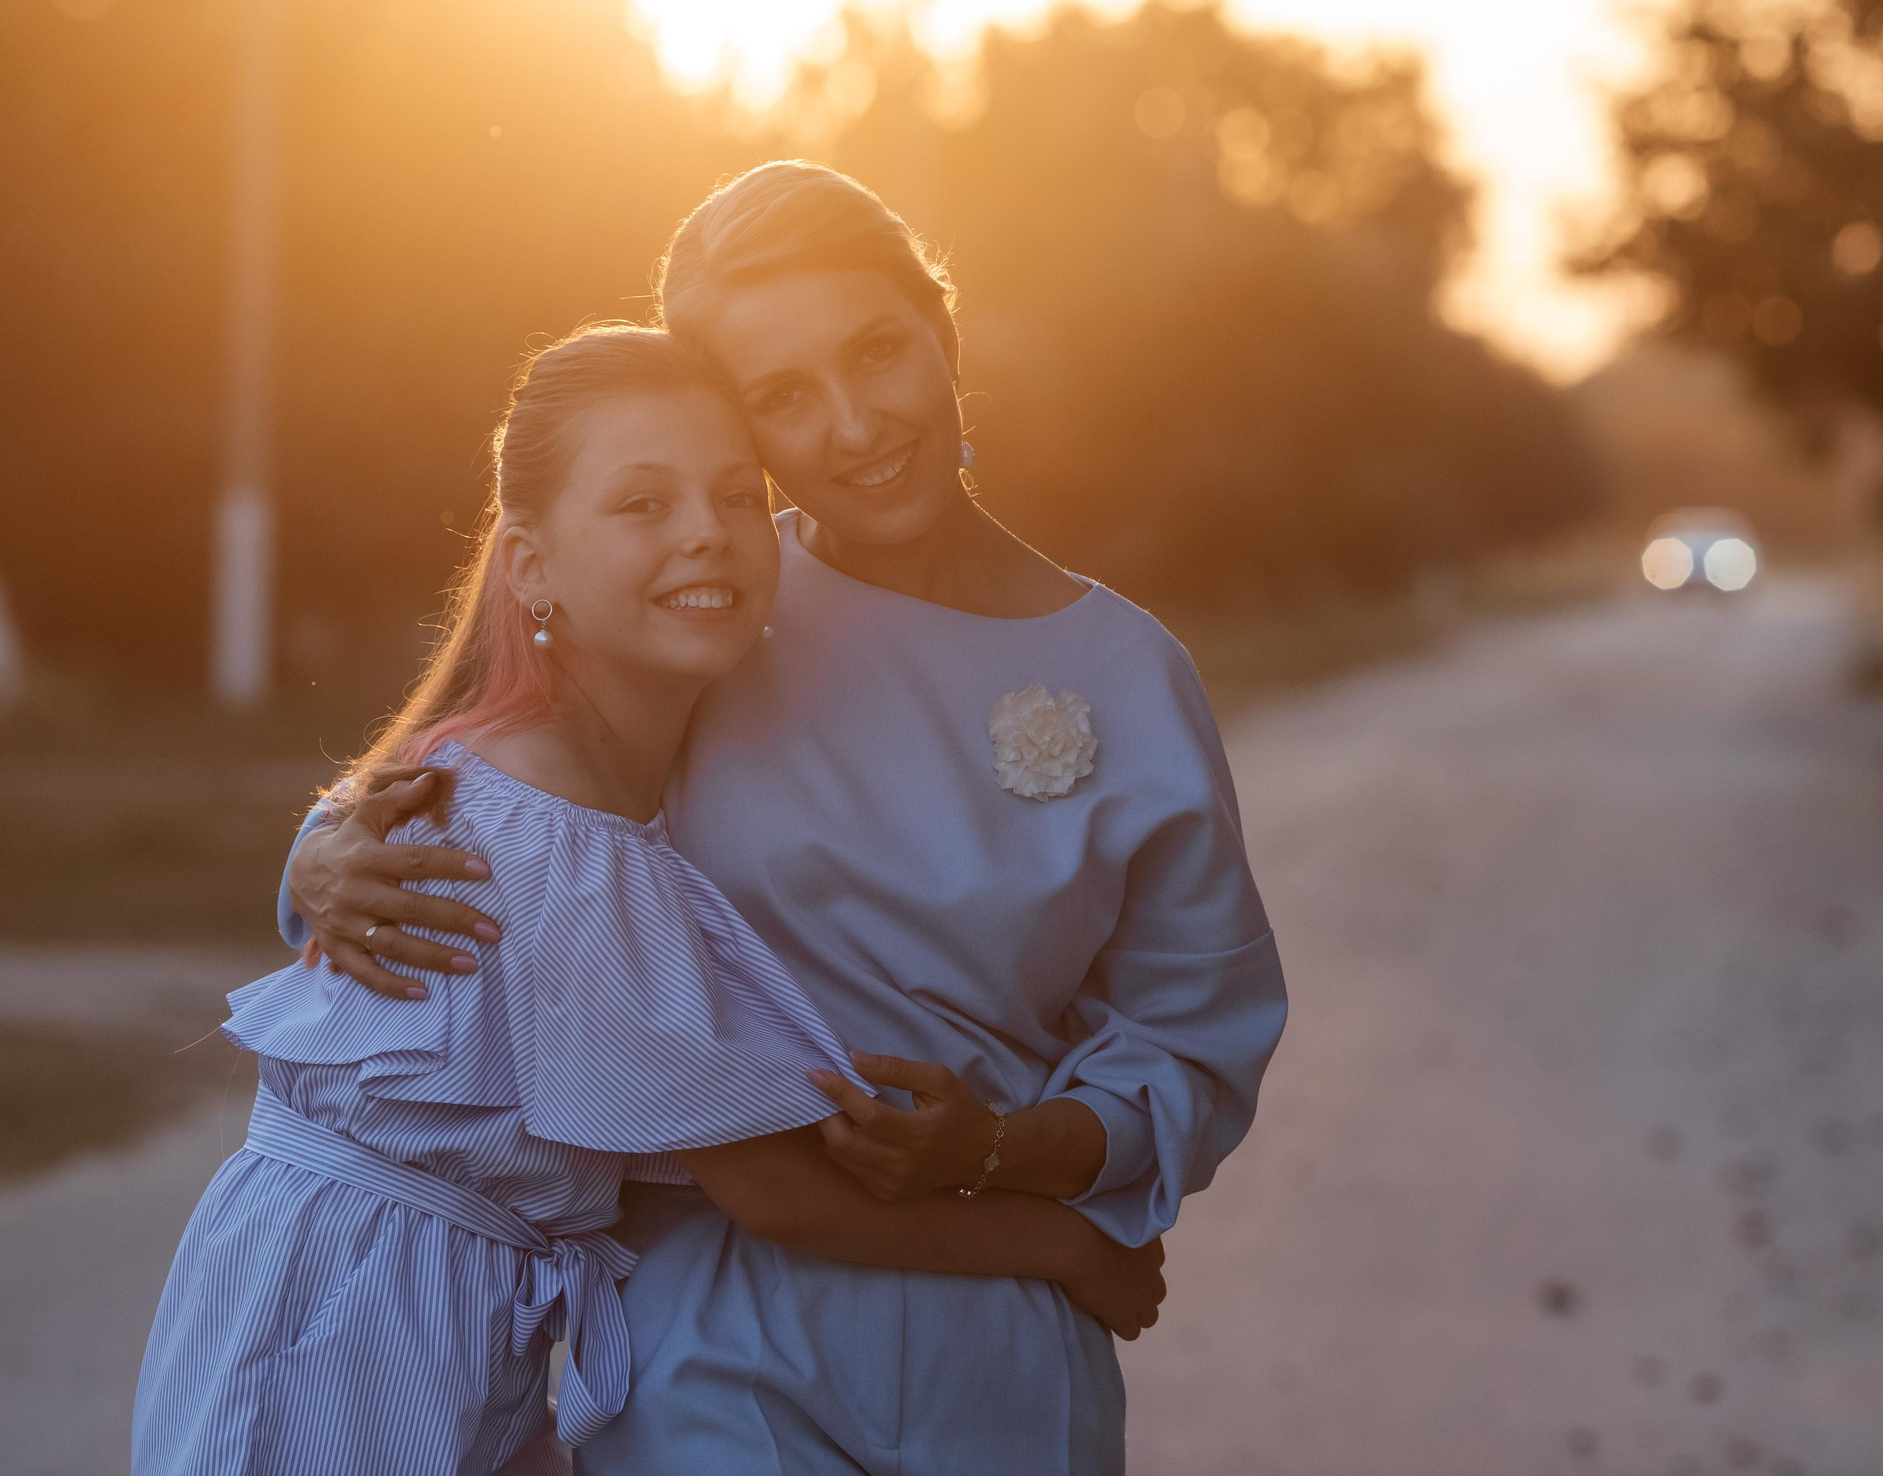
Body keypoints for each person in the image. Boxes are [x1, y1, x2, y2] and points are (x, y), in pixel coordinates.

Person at [283, 164, 1289, 1474]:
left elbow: (1193, 1044)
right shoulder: (709, 605)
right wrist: (323, 852)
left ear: (943, 330)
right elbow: (488, 781)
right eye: (782, 395)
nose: (855, 423)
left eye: (877, 351)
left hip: (1004, 1327)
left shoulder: (1134, 675)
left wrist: (999, 1146)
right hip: (711, 1337)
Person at [136, 326, 1163, 1476]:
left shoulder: (594, 777)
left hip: (447, 1317)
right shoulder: (558, 835)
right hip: (350, 1327)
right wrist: (1067, 1246)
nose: (705, 532)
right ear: (530, 567)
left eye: (737, 496)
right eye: (642, 504)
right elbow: (776, 1191)